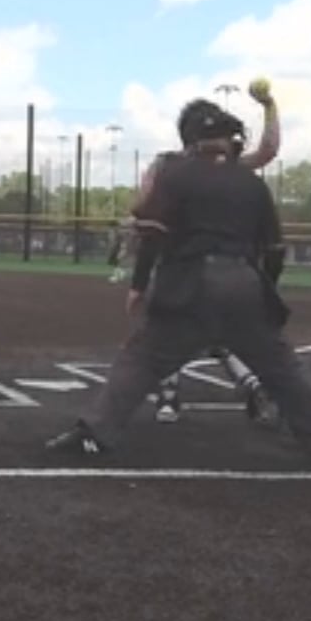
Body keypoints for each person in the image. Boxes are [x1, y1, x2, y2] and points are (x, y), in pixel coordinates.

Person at [45, 99, 311, 463]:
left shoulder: (175, 174)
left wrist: (139, 284)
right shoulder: (252, 184)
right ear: (229, 139)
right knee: (281, 367)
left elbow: (151, 232)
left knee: (143, 359)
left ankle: (95, 434)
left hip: (189, 282)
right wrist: (262, 292)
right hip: (244, 282)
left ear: (190, 139)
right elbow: (275, 249)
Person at [127, 93, 281, 426]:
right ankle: (253, 385)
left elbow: (143, 207)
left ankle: (168, 397)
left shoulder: (168, 166)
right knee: (226, 333)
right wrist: (269, 106)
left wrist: (138, 283)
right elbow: (268, 151)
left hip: (178, 265)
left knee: (164, 330)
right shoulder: (229, 166)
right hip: (232, 268)